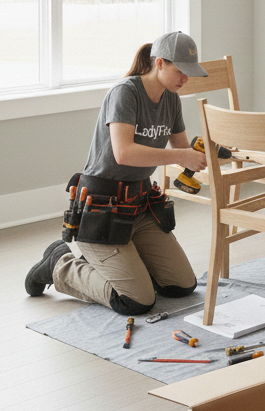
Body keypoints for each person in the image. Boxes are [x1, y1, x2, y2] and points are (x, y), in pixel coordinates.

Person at [25, 31, 210, 316]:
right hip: (102, 208)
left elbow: (182, 148)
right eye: (180, 71)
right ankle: (60, 264)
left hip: (141, 205)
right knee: (136, 301)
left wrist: (206, 151)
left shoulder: (171, 99)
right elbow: (124, 153)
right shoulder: (125, 92)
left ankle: (128, 263)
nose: (185, 79)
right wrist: (181, 155)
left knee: (181, 285)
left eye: (190, 73)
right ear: (159, 63)